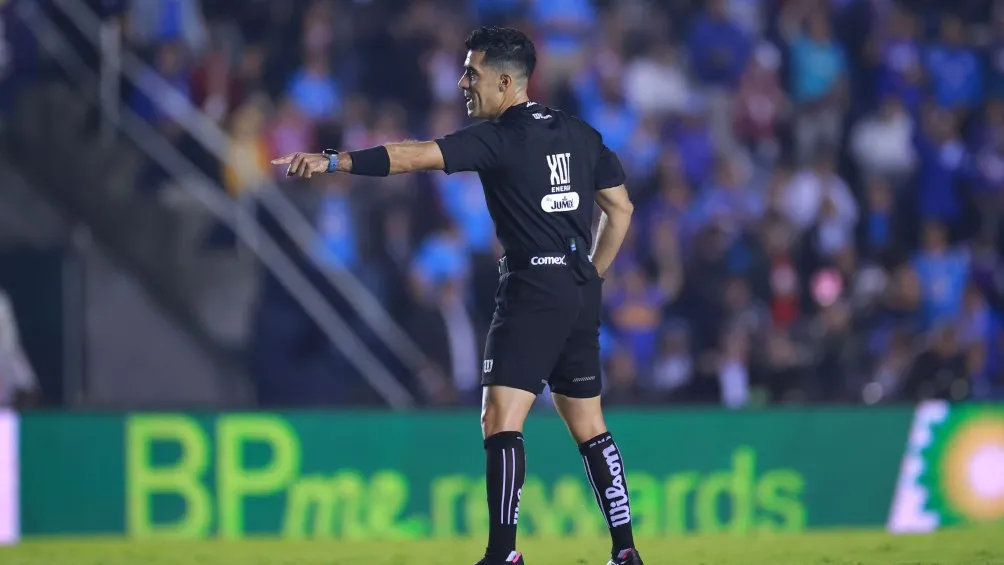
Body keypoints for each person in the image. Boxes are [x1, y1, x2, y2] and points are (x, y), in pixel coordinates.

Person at [272, 26, 642, 565]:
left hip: (532, 287)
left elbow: (414, 156)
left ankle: (503, 555)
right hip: (576, 289)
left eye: (472, 72)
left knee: (500, 416)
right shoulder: (579, 132)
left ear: (506, 81)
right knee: (590, 424)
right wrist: (593, 276)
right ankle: (626, 549)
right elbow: (622, 209)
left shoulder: (499, 137)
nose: (462, 81)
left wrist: (335, 161)